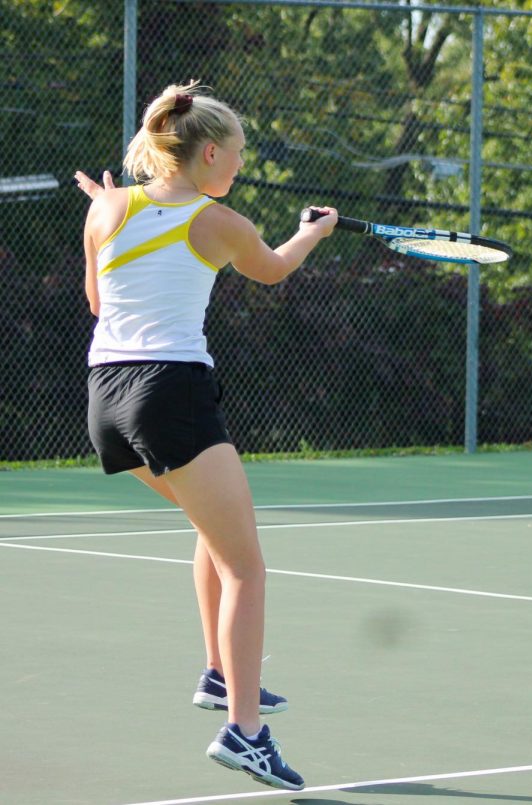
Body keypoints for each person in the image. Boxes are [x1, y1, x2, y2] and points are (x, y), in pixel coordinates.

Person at [76, 80, 336, 791]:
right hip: (171, 391)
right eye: (240, 153)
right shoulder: (216, 220)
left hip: (105, 399)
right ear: (211, 151)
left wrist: (111, 211)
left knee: (211, 530)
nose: (242, 164)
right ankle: (247, 734)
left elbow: (99, 302)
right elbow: (275, 269)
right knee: (248, 568)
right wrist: (313, 230)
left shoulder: (106, 207)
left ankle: (221, 675)